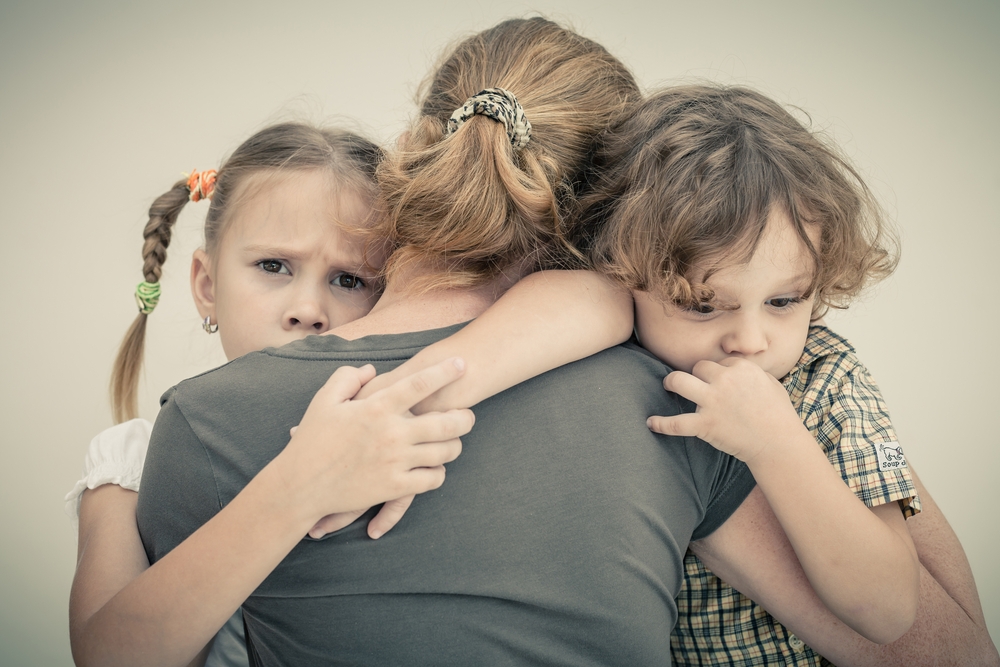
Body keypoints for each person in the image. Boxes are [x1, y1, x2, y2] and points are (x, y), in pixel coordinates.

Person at [137, 18, 918, 666]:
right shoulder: (677, 399)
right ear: (614, 222)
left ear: (411, 148)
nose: (748, 336)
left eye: (785, 300)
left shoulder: (207, 424)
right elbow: (910, 640)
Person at [67, 121, 629, 666]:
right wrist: (300, 485)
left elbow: (601, 296)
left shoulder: (395, 425)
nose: (308, 310)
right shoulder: (131, 465)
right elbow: (111, 655)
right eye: (273, 266)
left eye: (349, 280)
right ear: (207, 285)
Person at [576, 84, 999, 666]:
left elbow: (891, 609)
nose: (749, 342)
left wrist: (777, 443)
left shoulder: (830, 387)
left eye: (784, 301)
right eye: (703, 305)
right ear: (619, 276)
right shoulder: (611, 369)